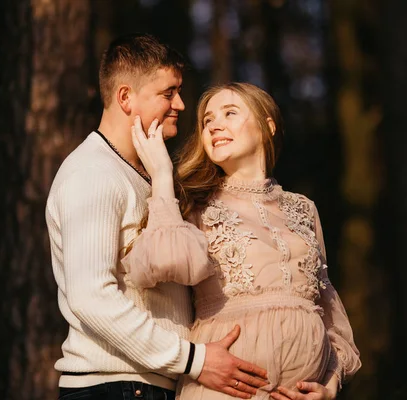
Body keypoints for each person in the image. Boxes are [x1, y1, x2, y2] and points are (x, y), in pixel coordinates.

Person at [45, 35, 268, 400]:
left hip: (150, 385)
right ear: (125, 97)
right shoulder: (92, 173)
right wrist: (194, 359)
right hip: (113, 387)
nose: (180, 104)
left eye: (179, 91)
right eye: (168, 93)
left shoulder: (148, 173)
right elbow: (91, 298)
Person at [124, 82, 362, 400]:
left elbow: (327, 306)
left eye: (230, 113)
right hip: (225, 390)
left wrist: (331, 383)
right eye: (207, 120)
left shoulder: (304, 207)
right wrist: (163, 176)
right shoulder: (193, 203)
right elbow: (160, 262)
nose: (215, 125)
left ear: (268, 126)